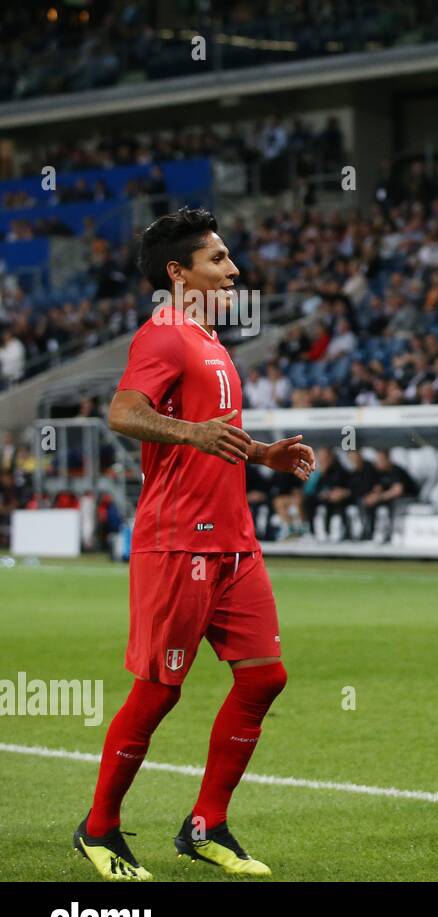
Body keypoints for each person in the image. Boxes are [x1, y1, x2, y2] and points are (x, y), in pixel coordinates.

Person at [75, 208, 315, 881]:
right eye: (217, 259)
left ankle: (205, 824)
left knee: (265, 676)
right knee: (158, 692)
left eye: (229, 257)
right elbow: (122, 412)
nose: (233, 269)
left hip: (234, 540)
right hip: (178, 542)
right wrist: (193, 435)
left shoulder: (211, 342)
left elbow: (210, 435)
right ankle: (98, 830)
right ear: (178, 274)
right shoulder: (167, 334)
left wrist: (260, 453)